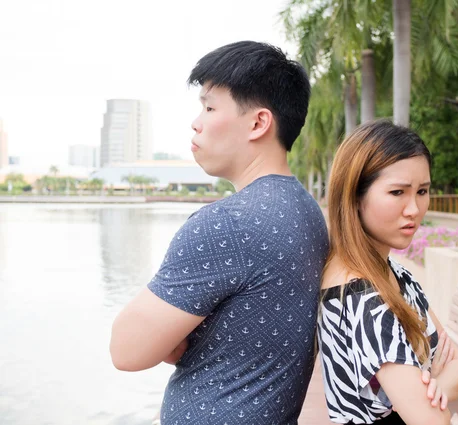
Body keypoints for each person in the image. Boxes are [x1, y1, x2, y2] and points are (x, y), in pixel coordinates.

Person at [110, 41, 329, 425]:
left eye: (210, 107)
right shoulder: (306, 210)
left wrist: (174, 335)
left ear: (259, 123)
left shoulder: (227, 224)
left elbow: (126, 350)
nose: (197, 122)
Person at [318, 120, 458, 425]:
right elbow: (432, 420)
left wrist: (431, 388)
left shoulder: (397, 275)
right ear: (355, 197)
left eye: (422, 191)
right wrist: (432, 378)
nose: (414, 209)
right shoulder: (361, 297)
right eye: (397, 192)